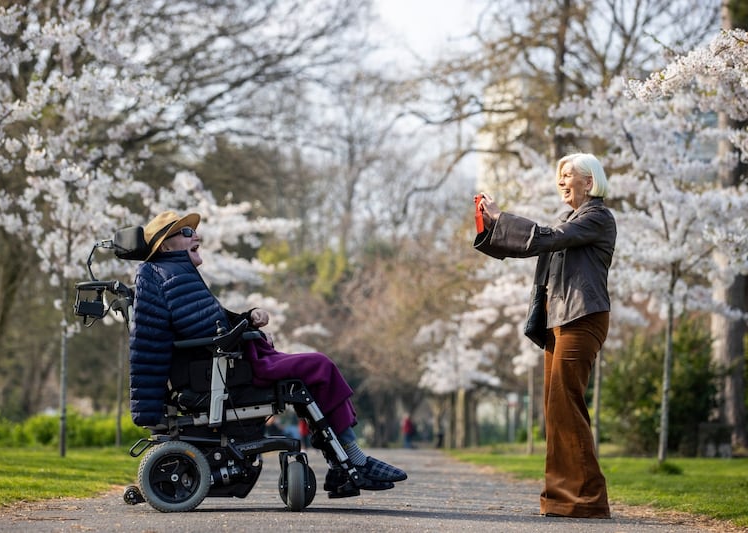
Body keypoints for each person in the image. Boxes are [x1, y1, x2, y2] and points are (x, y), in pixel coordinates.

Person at [128, 210, 407, 491]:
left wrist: (248, 319)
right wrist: (247, 329)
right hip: (222, 371)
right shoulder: (171, 274)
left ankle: (344, 462)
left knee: (316, 368)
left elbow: (210, 324)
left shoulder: (171, 273)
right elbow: (200, 333)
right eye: (186, 232)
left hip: (221, 366)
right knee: (320, 366)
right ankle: (351, 461)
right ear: (165, 246)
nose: (196, 235)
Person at [473, 153, 616, 519]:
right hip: (561, 320)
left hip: (583, 318)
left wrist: (502, 218)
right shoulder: (569, 220)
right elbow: (538, 243)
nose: (561, 181)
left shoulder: (597, 218)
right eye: (559, 175)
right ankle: (561, 498)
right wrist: (492, 226)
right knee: (556, 408)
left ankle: (587, 499)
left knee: (567, 404)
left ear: (590, 181)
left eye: (569, 174)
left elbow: (548, 238)